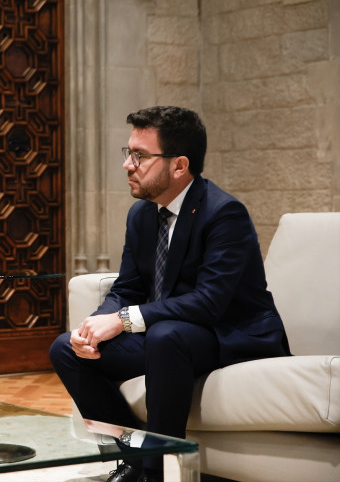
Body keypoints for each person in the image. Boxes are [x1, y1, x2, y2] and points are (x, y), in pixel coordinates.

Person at [50, 106, 290, 482]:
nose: (128, 165)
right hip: (173, 336)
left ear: (179, 166)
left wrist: (125, 319)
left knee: (165, 336)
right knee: (66, 347)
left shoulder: (224, 213)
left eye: (140, 156)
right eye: (128, 153)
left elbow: (210, 302)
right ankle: (132, 459)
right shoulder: (142, 215)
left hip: (230, 333)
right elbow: (127, 287)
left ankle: (158, 473)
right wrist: (97, 323)